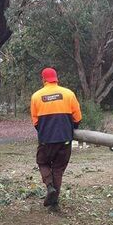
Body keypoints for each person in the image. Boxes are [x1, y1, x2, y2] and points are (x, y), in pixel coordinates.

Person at [30, 67, 82, 212]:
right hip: (65, 139)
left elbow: (35, 122)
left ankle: (49, 186)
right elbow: (77, 118)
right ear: (56, 79)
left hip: (46, 140)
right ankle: (54, 204)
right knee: (58, 169)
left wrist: (44, 132)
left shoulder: (36, 96)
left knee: (42, 162)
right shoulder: (68, 94)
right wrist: (70, 129)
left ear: (43, 79)